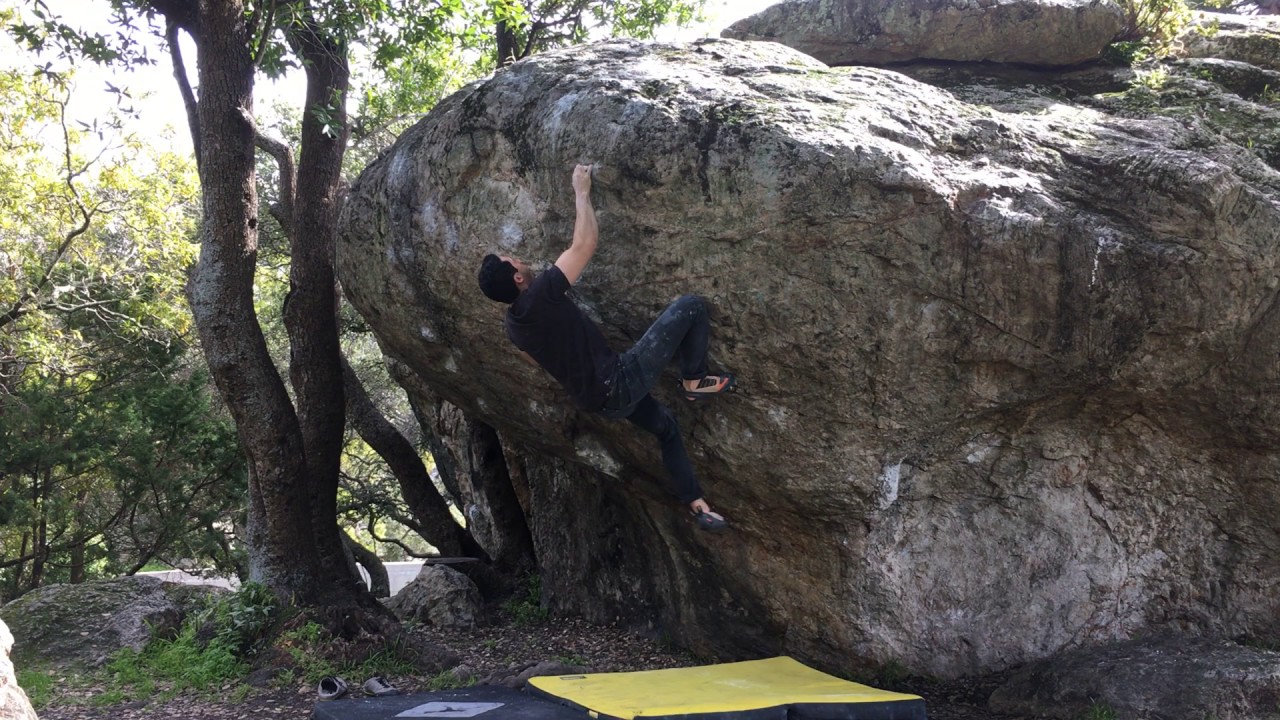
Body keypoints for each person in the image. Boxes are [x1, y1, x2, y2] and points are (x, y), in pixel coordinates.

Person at [477, 164, 736, 532]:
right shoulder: (540, 294)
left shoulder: (514, 327)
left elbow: (538, 361)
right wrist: (581, 192)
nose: (517, 258)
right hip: (618, 380)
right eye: (512, 260)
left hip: (599, 401)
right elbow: (584, 245)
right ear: (518, 278)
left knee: (667, 429)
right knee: (691, 305)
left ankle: (695, 502)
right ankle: (694, 381)